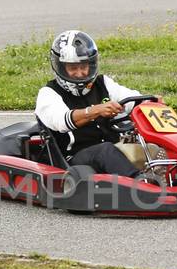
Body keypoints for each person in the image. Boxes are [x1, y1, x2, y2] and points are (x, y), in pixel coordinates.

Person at [34, 30, 144, 177]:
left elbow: (134, 99)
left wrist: (152, 103)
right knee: (105, 150)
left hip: (113, 152)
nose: (80, 73)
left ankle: (173, 175)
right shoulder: (48, 93)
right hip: (74, 158)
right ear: (61, 67)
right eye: (73, 68)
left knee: (151, 146)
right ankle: (140, 183)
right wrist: (96, 111)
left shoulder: (103, 83)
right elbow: (61, 121)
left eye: (83, 67)